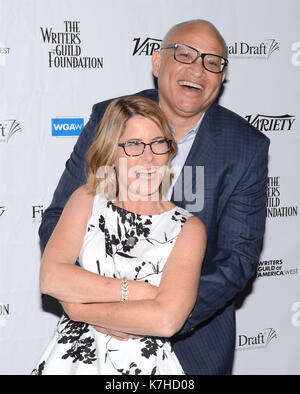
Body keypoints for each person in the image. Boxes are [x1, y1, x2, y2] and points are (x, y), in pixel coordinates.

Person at [38, 19, 270, 375]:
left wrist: (156, 314)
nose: (198, 70)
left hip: (190, 348)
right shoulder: (109, 118)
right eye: (185, 55)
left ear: (222, 77)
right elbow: (57, 222)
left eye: (213, 62)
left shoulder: (245, 147)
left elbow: (236, 261)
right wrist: (108, 305)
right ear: (157, 62)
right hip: (87, 344)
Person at [32, 96, 206, 375]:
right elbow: (51, 278)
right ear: (111, 153)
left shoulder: (187, 227)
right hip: (72, 361)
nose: (148, 157)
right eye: (134, 145)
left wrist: (80, 310)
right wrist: (140, 293)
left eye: (158, 143)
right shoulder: (86, 200)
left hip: (145, 366)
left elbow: (166, 320)